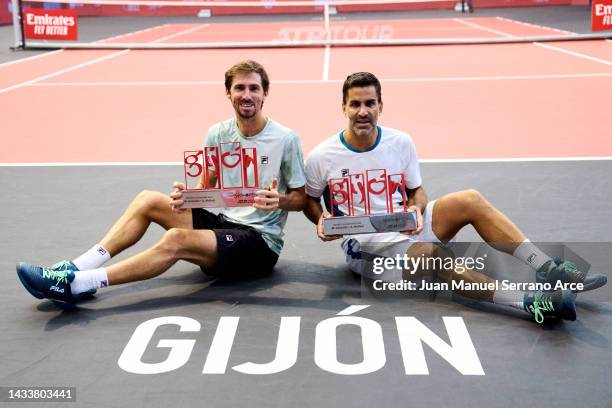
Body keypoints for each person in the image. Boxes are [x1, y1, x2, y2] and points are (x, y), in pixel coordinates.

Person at [303, 71, 606, 324]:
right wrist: (321, 219)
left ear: (381, 105)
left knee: (469, 199)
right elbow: (310, 200)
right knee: (433, 256)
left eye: (370, 103)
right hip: (367, 247)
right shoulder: (322, 156)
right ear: (343, 107)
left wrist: (417, 209)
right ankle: (529, 301)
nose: (363, 111)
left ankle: (549, 270)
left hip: (405, 224)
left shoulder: (400, 142)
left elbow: (416, 191)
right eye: (355, 104)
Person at [17, 60, 307, 309]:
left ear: (265, 93)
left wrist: (278, 201)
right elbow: (207, 190)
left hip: (258, 242)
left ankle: (76, 285)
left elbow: (301, 199)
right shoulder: (218, 133)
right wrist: (188, 196)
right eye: (240, 88)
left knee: (176, 239)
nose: (247, 95)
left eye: (254, 88)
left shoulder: (286, 138)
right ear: (228, 93)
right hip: (223, 223)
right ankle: (78, 266)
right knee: (147, 199)